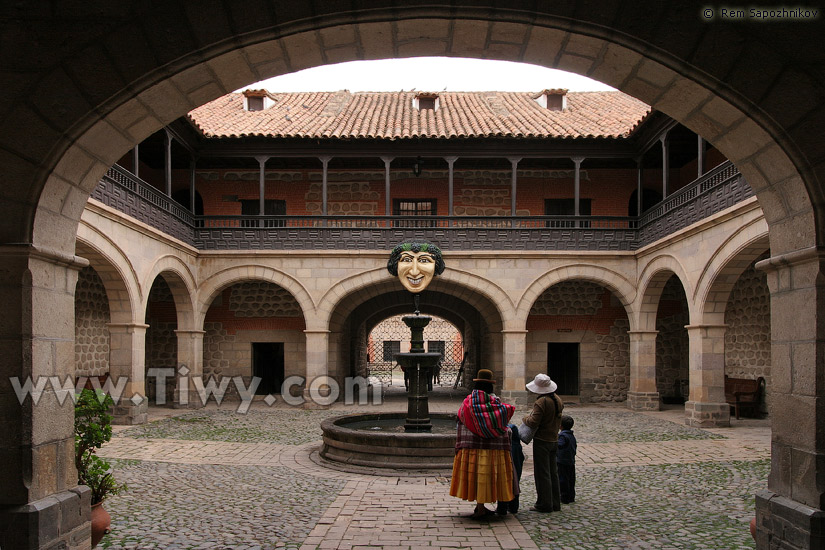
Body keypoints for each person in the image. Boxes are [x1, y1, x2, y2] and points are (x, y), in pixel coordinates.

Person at [450, 369, 517, 519]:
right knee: (488, 475)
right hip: (492, 449)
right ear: (490, 386)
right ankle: (483, 507)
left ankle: (480, 507)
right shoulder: (495, 402)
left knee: (476, 476)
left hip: (472, 447)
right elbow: (503, 415)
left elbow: (461, 417)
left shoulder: (468, 402)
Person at [522, 373, 564, 513]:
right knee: (553, 472)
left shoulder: (542, 402)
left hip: (542, 441)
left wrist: (525, 418)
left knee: (542, 473)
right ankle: (555, 502)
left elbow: (534, 421)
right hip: (554, 439)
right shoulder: (558, 399)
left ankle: (544, 503)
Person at [496, 421, 525, 515]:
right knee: (515, 484)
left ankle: (502, 508)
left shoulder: (506, 446)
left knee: (504, 483)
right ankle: (513, 507)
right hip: (517, 468)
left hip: (507, 468)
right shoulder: (517, 447)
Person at [557, 415, 577, 504]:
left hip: (562, 461)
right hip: (571, 461)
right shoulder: (571, 435)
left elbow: (560, 445)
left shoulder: (562, 436)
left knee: (563, 480)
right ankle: (571, 496)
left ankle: (564, 497)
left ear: (561, 426)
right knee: (571, 479)